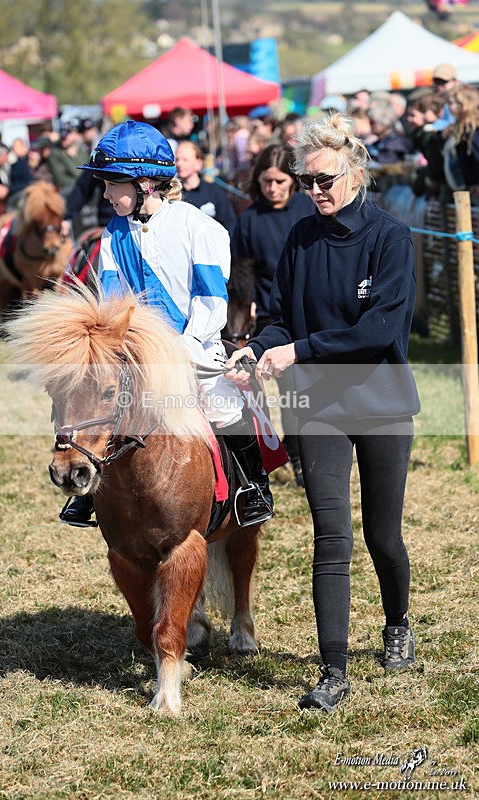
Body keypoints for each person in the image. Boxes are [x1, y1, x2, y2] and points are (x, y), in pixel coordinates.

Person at [225, 113, 420, 712]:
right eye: (308, 182)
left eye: (325, 180)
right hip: (316, 405)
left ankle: (397, 623)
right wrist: (255, 347)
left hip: (381, 402)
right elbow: (281, 316)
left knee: (382, 537)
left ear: (356, 173)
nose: (316, 192)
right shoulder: (301, 237)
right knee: (331, 537)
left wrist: (298, 350)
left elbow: (378, 330)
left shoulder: (390, 237)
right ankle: (333, 671)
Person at [60, 120, 273, 529]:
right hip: (134, 355)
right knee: (91, 401)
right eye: (103, 184)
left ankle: (253, 487)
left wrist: (182, 347)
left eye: (112, 184)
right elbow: (111, 301)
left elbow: (211, 299)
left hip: (194, 342)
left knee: (222, 399)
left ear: (146, 183)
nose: (105, 193)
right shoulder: (111, 235)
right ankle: (88, 496)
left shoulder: (197, 226)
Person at [231, 144, 314, 485]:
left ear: (293, 181)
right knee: (289, 395)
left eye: (280, 181)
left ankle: (313, 452)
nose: (274, 188)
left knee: (311, 395)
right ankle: (295, 459)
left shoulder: (309, 210)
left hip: (311, 315)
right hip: (272, 318)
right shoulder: (250, 219)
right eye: (267, 181)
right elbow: (242, 269)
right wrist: (246, 302)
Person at [175, 140, 237, 237]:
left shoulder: (215, 192)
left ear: (198, 163)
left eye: (185, 160)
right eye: (177, 159)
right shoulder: (172, 194)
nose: (179, 164)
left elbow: (229, 225)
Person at [442, 84, 479, 198]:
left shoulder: (474, 129)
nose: (448, 107)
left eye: (451, 103)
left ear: (464, 104)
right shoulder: (462, 129)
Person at [0, 141, 33, 209]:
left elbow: (26, 182)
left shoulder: (20, 164)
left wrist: (8, 190)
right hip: (3, 204)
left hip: (20, 202)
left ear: (5, 155)